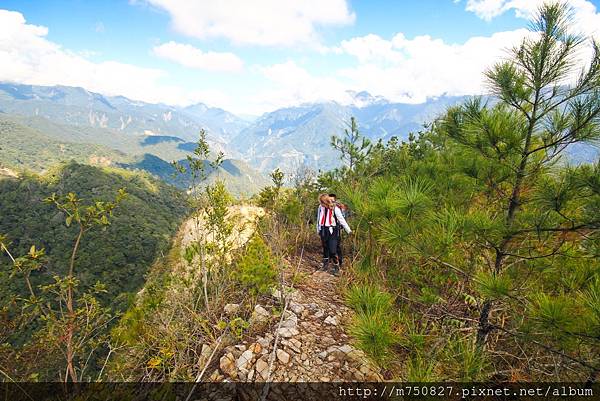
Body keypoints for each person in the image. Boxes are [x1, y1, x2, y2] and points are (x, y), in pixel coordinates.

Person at [316, 194, 351, 276]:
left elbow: (341, 220)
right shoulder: (320, 208)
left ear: (326, 202)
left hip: (333, 230)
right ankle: (325, 265)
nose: (321, 204)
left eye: (322, 202)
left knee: (333, 250)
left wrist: (348, 231)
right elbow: (318, 218)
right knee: (325, 248)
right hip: (324, 230)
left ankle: (336, 267)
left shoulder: (335, 208)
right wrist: (318, 229)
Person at [328, 193, 348, 268]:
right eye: (329, 200)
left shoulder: (338, 207)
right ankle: (332, 260)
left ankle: (339, 261)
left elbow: (343, 218)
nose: (331, 201)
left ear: (335, 200)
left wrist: (347, 229)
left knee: (337, 246)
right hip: (329, 229)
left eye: (332, 200)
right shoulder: (327, 207)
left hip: (337, 228)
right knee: (329, 245)